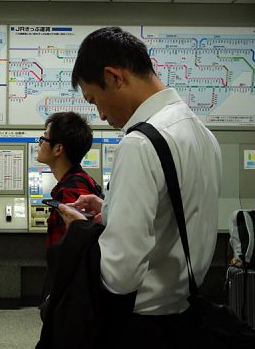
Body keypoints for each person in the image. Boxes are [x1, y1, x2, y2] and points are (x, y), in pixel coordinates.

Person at [56, 27, 222, 348]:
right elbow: (176, 213)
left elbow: (120, 274)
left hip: (141, 324)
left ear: (114, 77)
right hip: (185, 313)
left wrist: (80, 231)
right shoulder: (201, 133)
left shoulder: (140, 143)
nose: (101, 114)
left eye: (95, 100)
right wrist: (111, 210)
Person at [36, 111, 101, 249]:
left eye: (44, 138)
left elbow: (72, 250)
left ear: (58, 149)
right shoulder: (80, 181)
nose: (39, 144)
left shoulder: (71, 192)